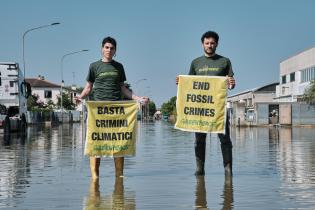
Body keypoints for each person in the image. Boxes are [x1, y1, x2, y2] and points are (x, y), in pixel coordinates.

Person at [75, 36, 149, 180]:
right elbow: (88, 87)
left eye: (112, 48)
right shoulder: (94, 66)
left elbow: (123, 89)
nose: (109, 50)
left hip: (117, 111)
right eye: (107, 47)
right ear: (102, 49)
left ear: (115, 51)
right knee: (96, 143)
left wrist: (138, 99)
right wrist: (80, 97)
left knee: (118, 142)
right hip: (98, 111)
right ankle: (95, 178)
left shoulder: (119, 67)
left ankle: (119, 176)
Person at [176, 31, 236, 176]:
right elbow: (189, 84)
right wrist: (180, 82)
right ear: (202, 44)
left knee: (225, 140)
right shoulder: (195, 63)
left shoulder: (225, 61)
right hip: (200, 109)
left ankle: (228, 171)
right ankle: (199, 171)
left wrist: (231, 83)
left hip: (219, 109)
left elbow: (231, 84)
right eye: (207, 43)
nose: (209, 46)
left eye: (212, 43)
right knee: (199, 140)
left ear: (217, 44)